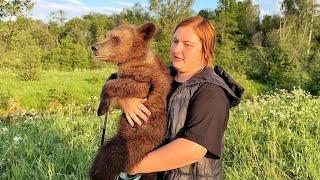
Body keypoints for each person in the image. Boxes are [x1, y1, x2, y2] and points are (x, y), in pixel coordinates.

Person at [106, 16, 244, 179]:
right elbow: (113, 86)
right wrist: (124, 101)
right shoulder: (162, 75)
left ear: (205, 49)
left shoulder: (211, 92)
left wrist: (133, 165)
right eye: (175, 41)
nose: (177, 49)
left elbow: (192, 149)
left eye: (187, 44)